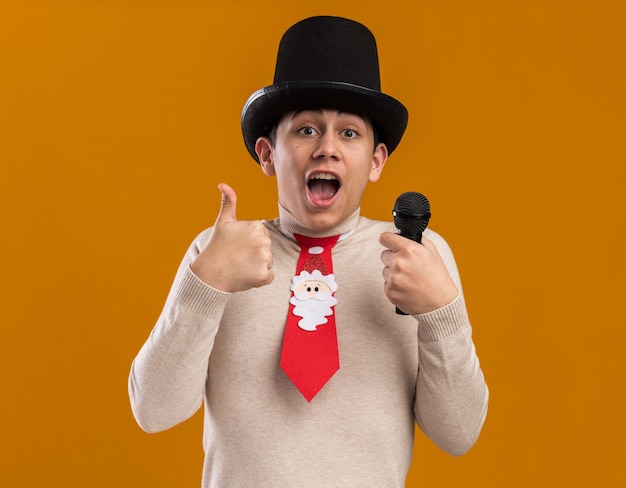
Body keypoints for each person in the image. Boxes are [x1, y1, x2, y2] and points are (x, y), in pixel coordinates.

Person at [129, 15, 488, 487]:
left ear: (376, 161)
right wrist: (205, 283)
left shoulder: (417, 256)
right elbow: (154, 411)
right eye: (305, 130)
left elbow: (458, 434)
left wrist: (443, 312)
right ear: (266, 153)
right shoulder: (218, 252)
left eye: (350, 133)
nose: (327, 149)